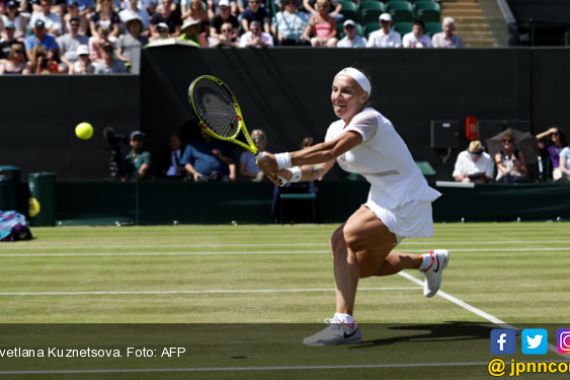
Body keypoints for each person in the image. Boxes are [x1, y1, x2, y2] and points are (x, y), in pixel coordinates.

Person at [256, 67, 448, 345]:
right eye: (334, 89)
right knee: (365, 267)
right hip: (381, 196)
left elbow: (331, 151)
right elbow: (319, 169)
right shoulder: (335, 127)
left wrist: (281, 160)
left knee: (340, 240)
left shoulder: (370, 119)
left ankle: (345, 325)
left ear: (363, 96)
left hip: (405, 197)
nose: (338, 96)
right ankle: (429, 261)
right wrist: (288, 176)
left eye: (346, 90)